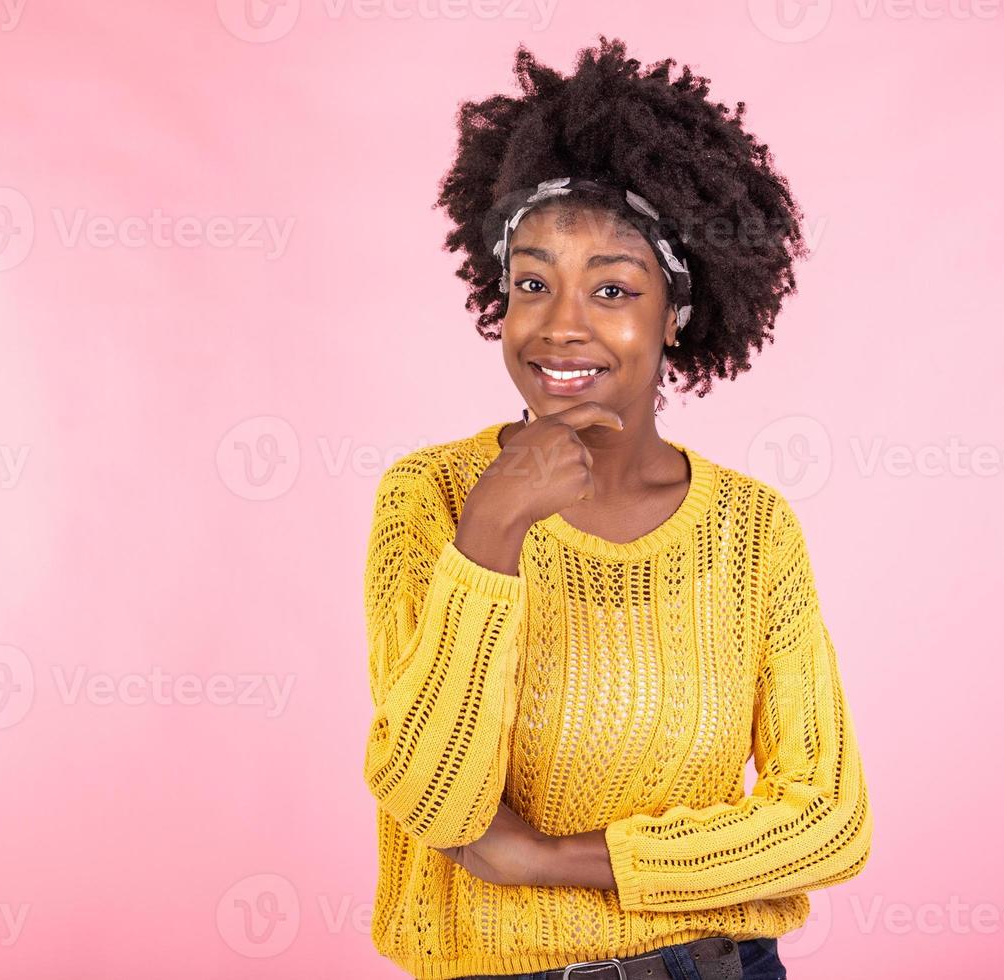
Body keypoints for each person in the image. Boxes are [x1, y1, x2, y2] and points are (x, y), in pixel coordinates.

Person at [362, 36, 871, 980]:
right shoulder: (428, 497)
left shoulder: (751, 530)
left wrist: (555, 860)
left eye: (612, 289)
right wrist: (493, 531)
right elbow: (435, 803)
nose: (562, 325)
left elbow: (828, 819)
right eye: (531, 283)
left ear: (675, 311)